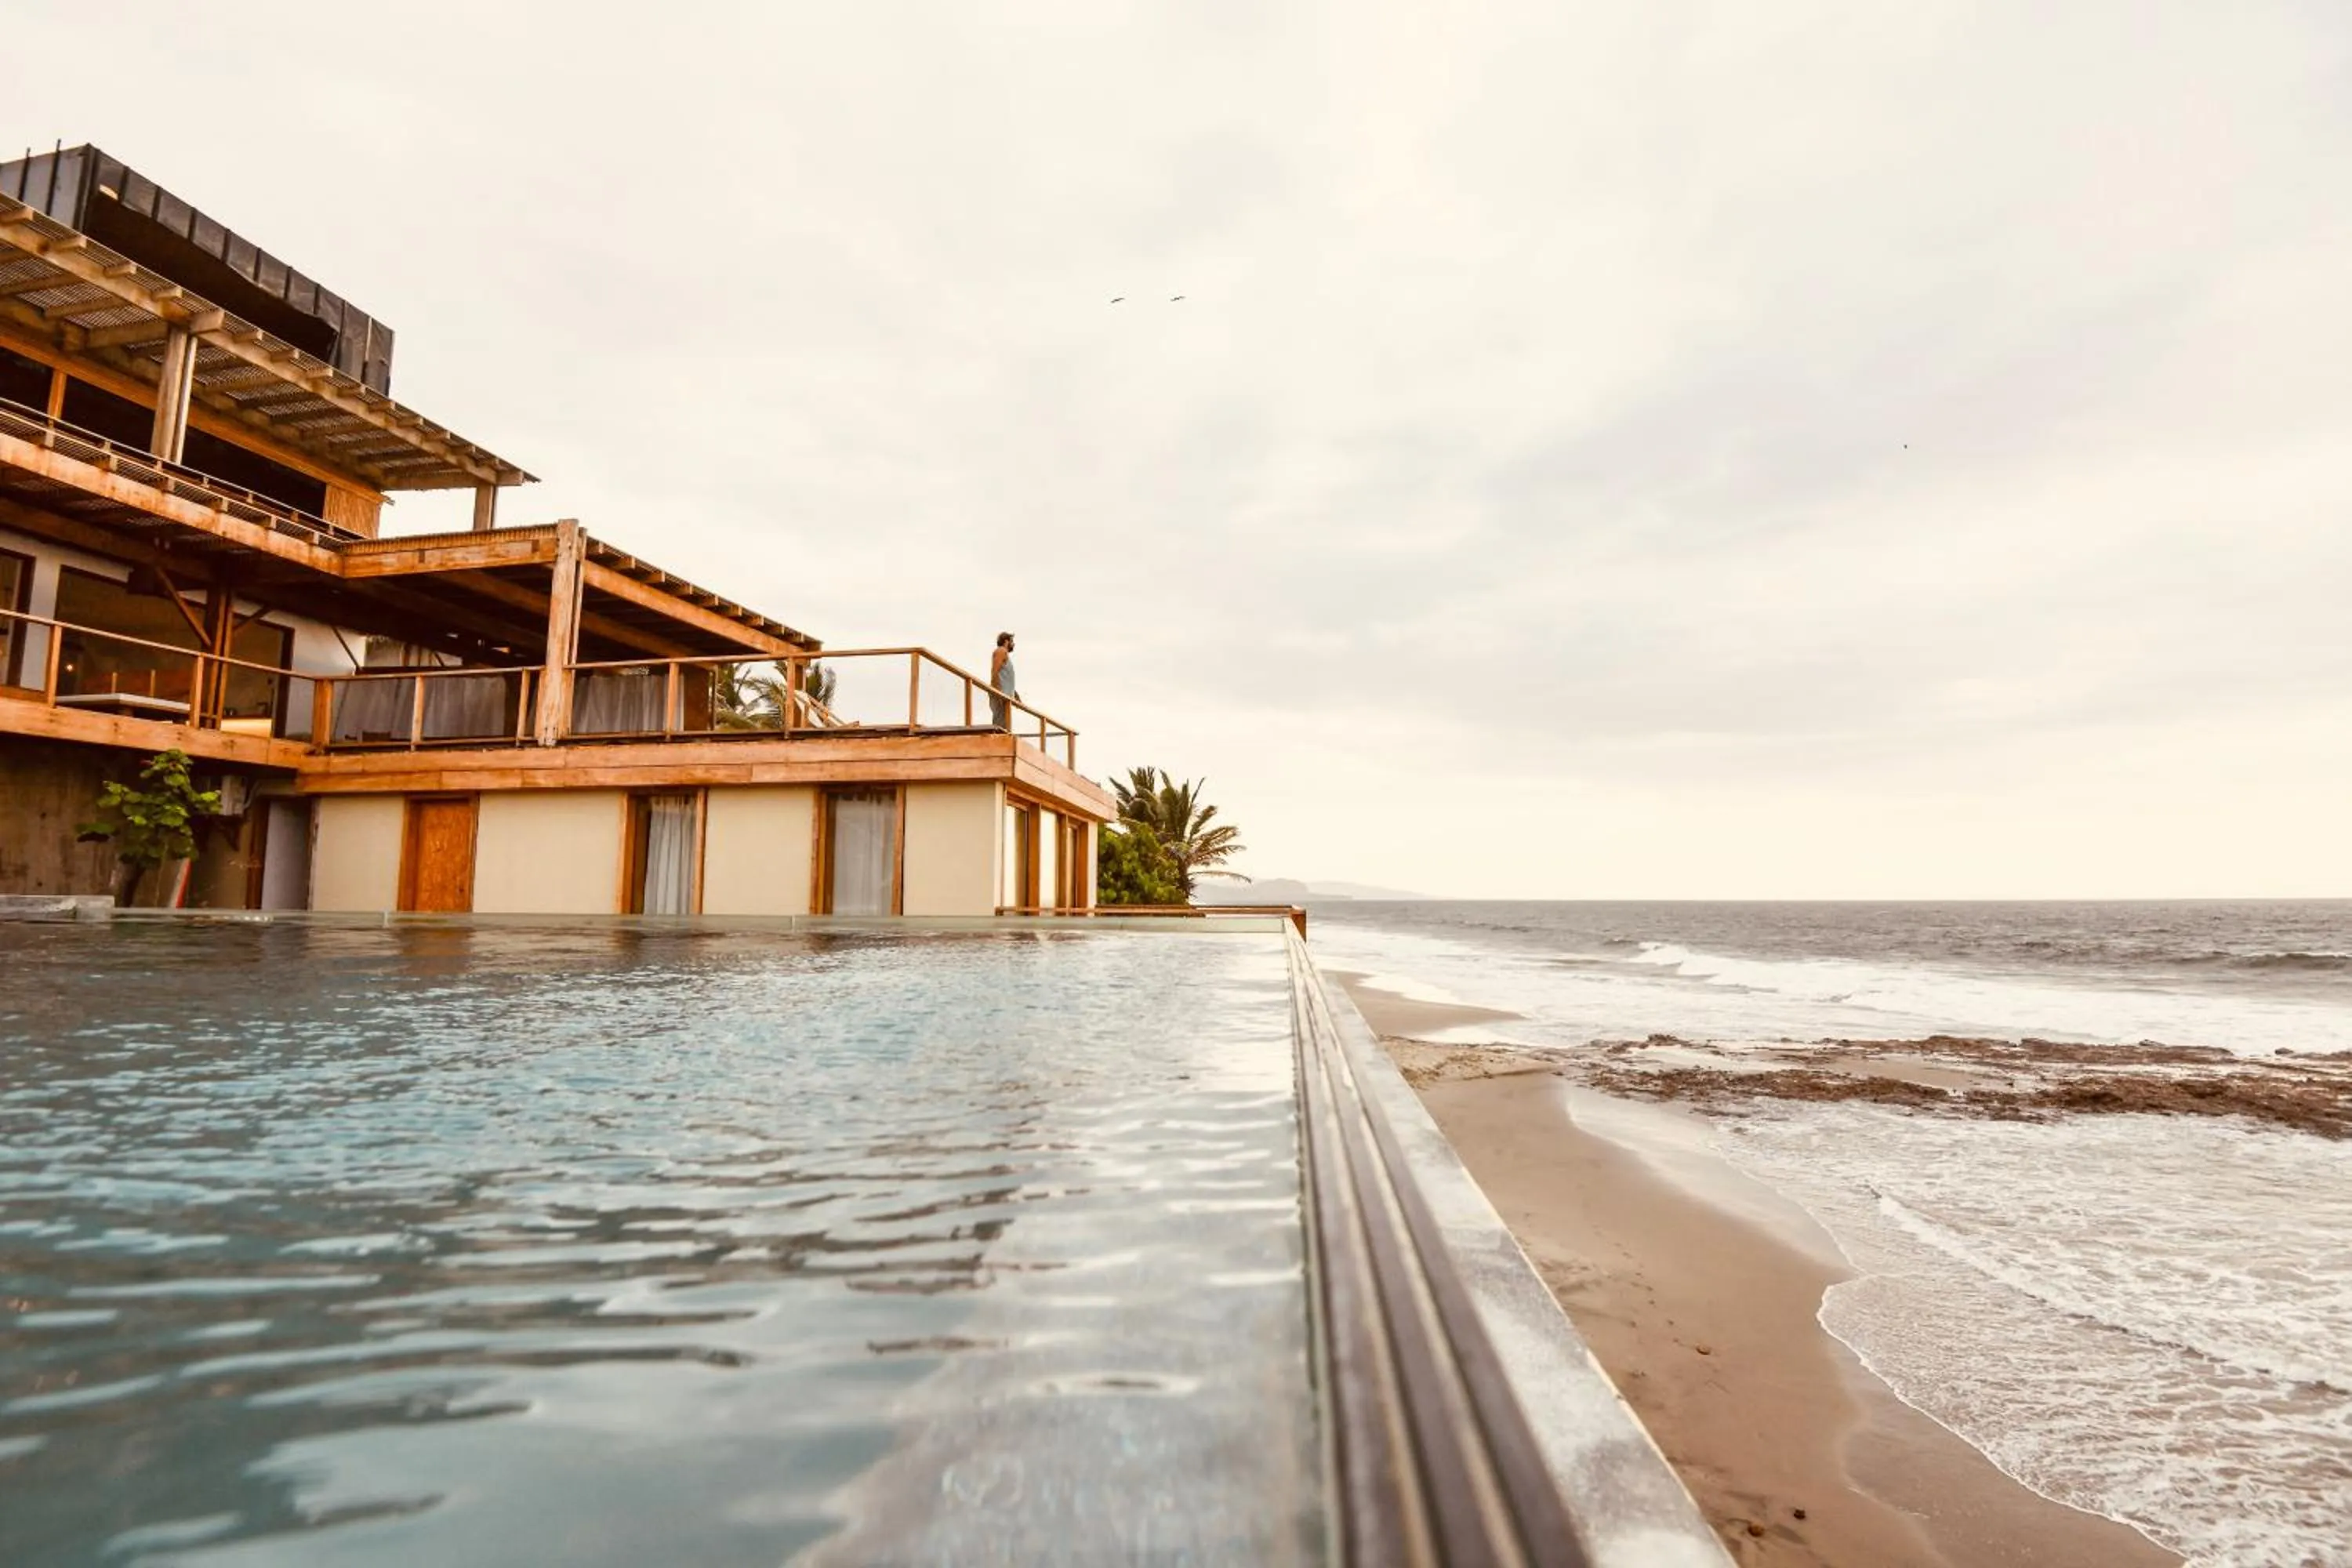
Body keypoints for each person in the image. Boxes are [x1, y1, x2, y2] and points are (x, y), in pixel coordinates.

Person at [989, 631, 1018, 729]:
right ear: (1006, 641)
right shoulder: (1001, 651)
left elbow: (1007, 680)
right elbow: (994, 671)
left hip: (1006, 698)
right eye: (1012, 641)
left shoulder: (1005, 655)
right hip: (1000, 695)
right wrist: (998, 693)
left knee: (1004, 727)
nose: (1014, 644)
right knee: (1000, 727)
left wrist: (1016, 696)